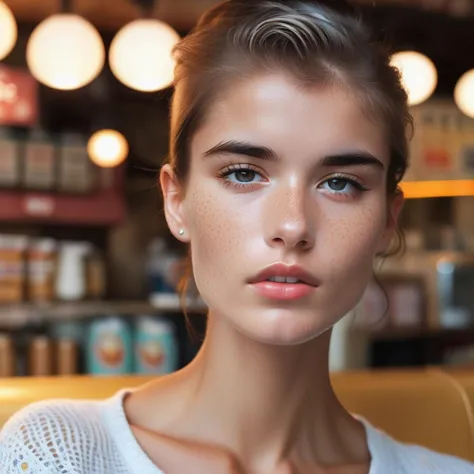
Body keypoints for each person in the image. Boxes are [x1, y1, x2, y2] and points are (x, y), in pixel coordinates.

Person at [1, 1, 474, 473]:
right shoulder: (58, 455)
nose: (292, 226)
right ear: (176, 200)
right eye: (244, 173)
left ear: (388, 220)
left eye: (340, 183)